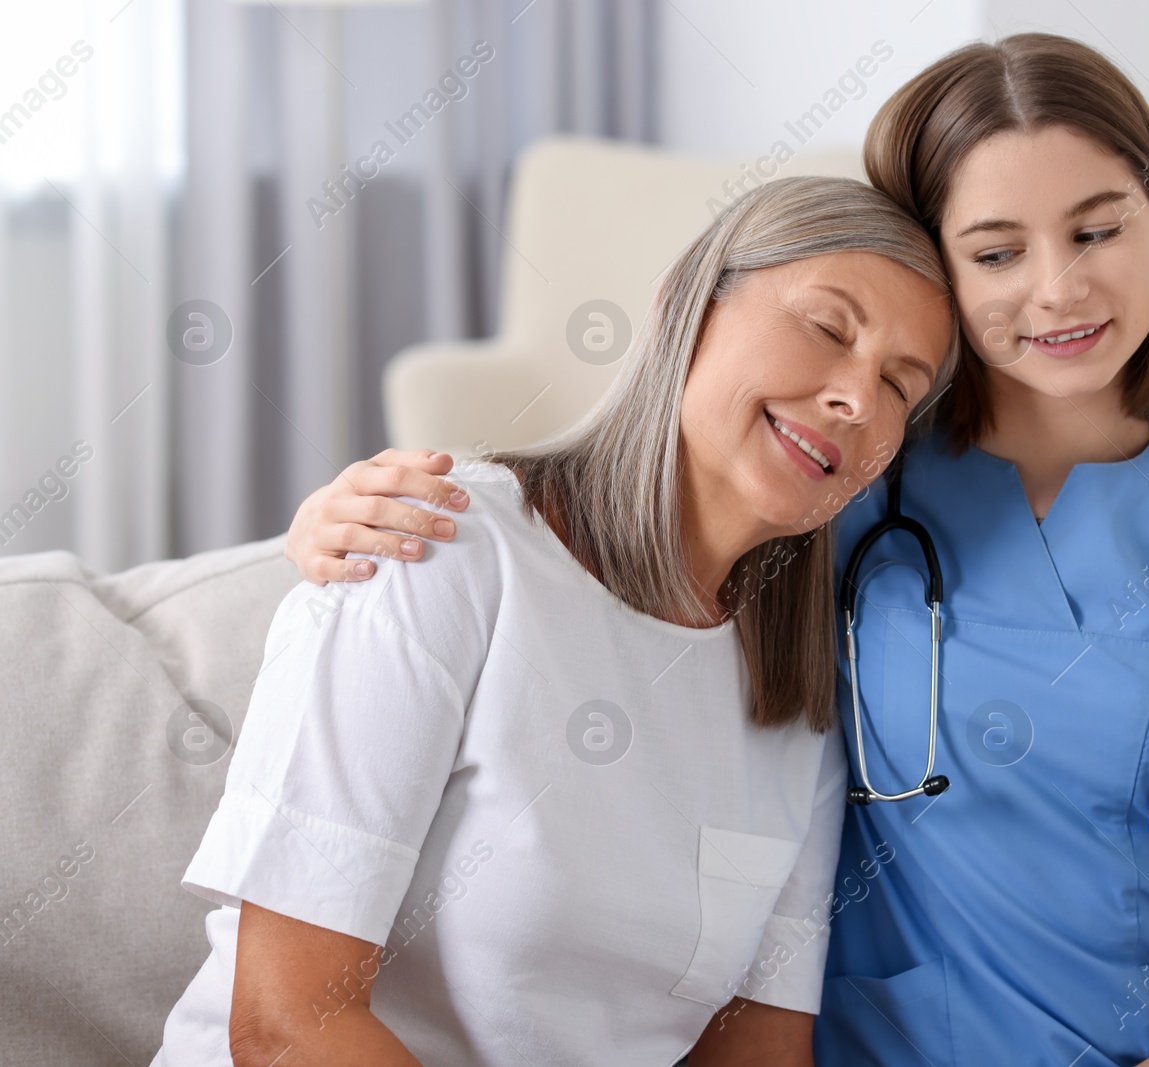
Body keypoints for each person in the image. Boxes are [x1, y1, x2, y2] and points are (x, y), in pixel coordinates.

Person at [283, 34, 1149, 1067]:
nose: (1057, 287)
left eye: (1099, 229)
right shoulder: (841, 479)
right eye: (996, 250)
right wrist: (336, 519)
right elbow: (615, 532)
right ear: (935, 271)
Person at [153, 175, 956, 1067]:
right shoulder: (441, 550)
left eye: (899, 384)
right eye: (828, 327)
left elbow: (755, 1049)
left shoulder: (799, 702)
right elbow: (284, 1025)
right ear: (684, 305)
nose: (856, 397)